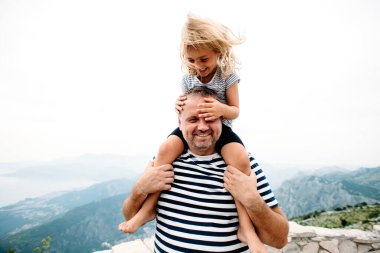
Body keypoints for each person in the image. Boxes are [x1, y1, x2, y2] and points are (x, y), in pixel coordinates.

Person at [120, 13, 264, 250]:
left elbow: (235, 111)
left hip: (221, 128)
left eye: (204, 58)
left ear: (217, 51)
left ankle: (246, 229)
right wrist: (177, 104)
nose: (199, 65)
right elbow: (185, 108)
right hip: (195, 128)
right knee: (166, 149)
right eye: (192, 60)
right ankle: (146, 211)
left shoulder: (228, 76)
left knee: (240, 159)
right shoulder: (189, 77)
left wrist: (221, 109)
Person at [119, 87, 289, 252]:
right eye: (193, 119)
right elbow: (130, 217)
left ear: (222, 120)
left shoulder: (243, 165)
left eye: (210, 119)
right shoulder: (164, 161)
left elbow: (279, 240)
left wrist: (251, 199)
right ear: (179, 122)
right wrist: (139, 189)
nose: (202, 127)